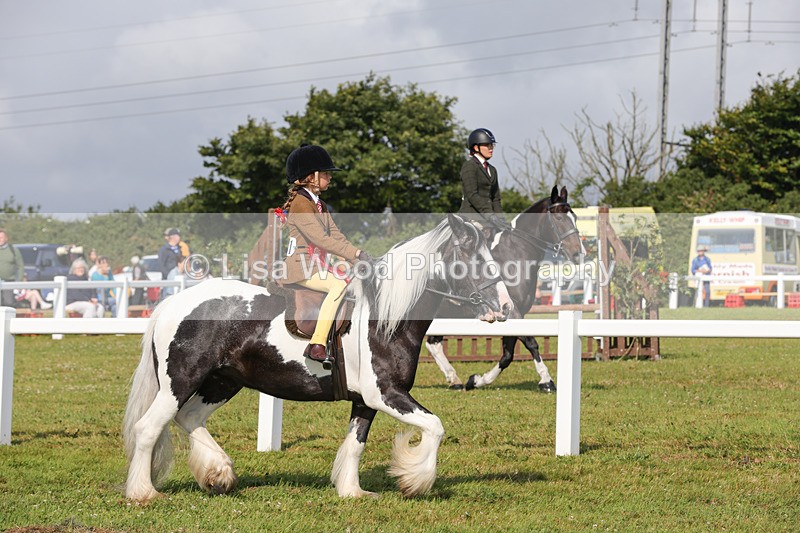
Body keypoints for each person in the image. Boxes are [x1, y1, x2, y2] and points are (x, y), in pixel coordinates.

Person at [279, 144, 371, 363]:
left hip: (315, 265)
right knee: (338, 285)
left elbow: (335, 235)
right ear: (312, 177)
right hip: (301, 267)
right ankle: (317, 344)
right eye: (327, 174)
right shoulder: (301, 203)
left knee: (350, 278)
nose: (330, 178)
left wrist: (355, 255)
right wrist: (354, 252)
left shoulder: (318, 203)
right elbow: (319, 238)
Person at [458, 128, 511, 232]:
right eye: (487, 145)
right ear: (476, 147)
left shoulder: (492, 170)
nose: (491, 148)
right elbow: (472, 194)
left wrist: (500, 219)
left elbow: (496, 199)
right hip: (471, 218)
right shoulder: (469, 166)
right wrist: (489, 215)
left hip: (489, 219)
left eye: (492, 145)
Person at [0, 228, 25, 308]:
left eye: (1, 237)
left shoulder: (13, 250)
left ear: (6, 238)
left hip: (9, 281)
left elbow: (20, 266)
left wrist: (20, 280)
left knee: (8, 303)